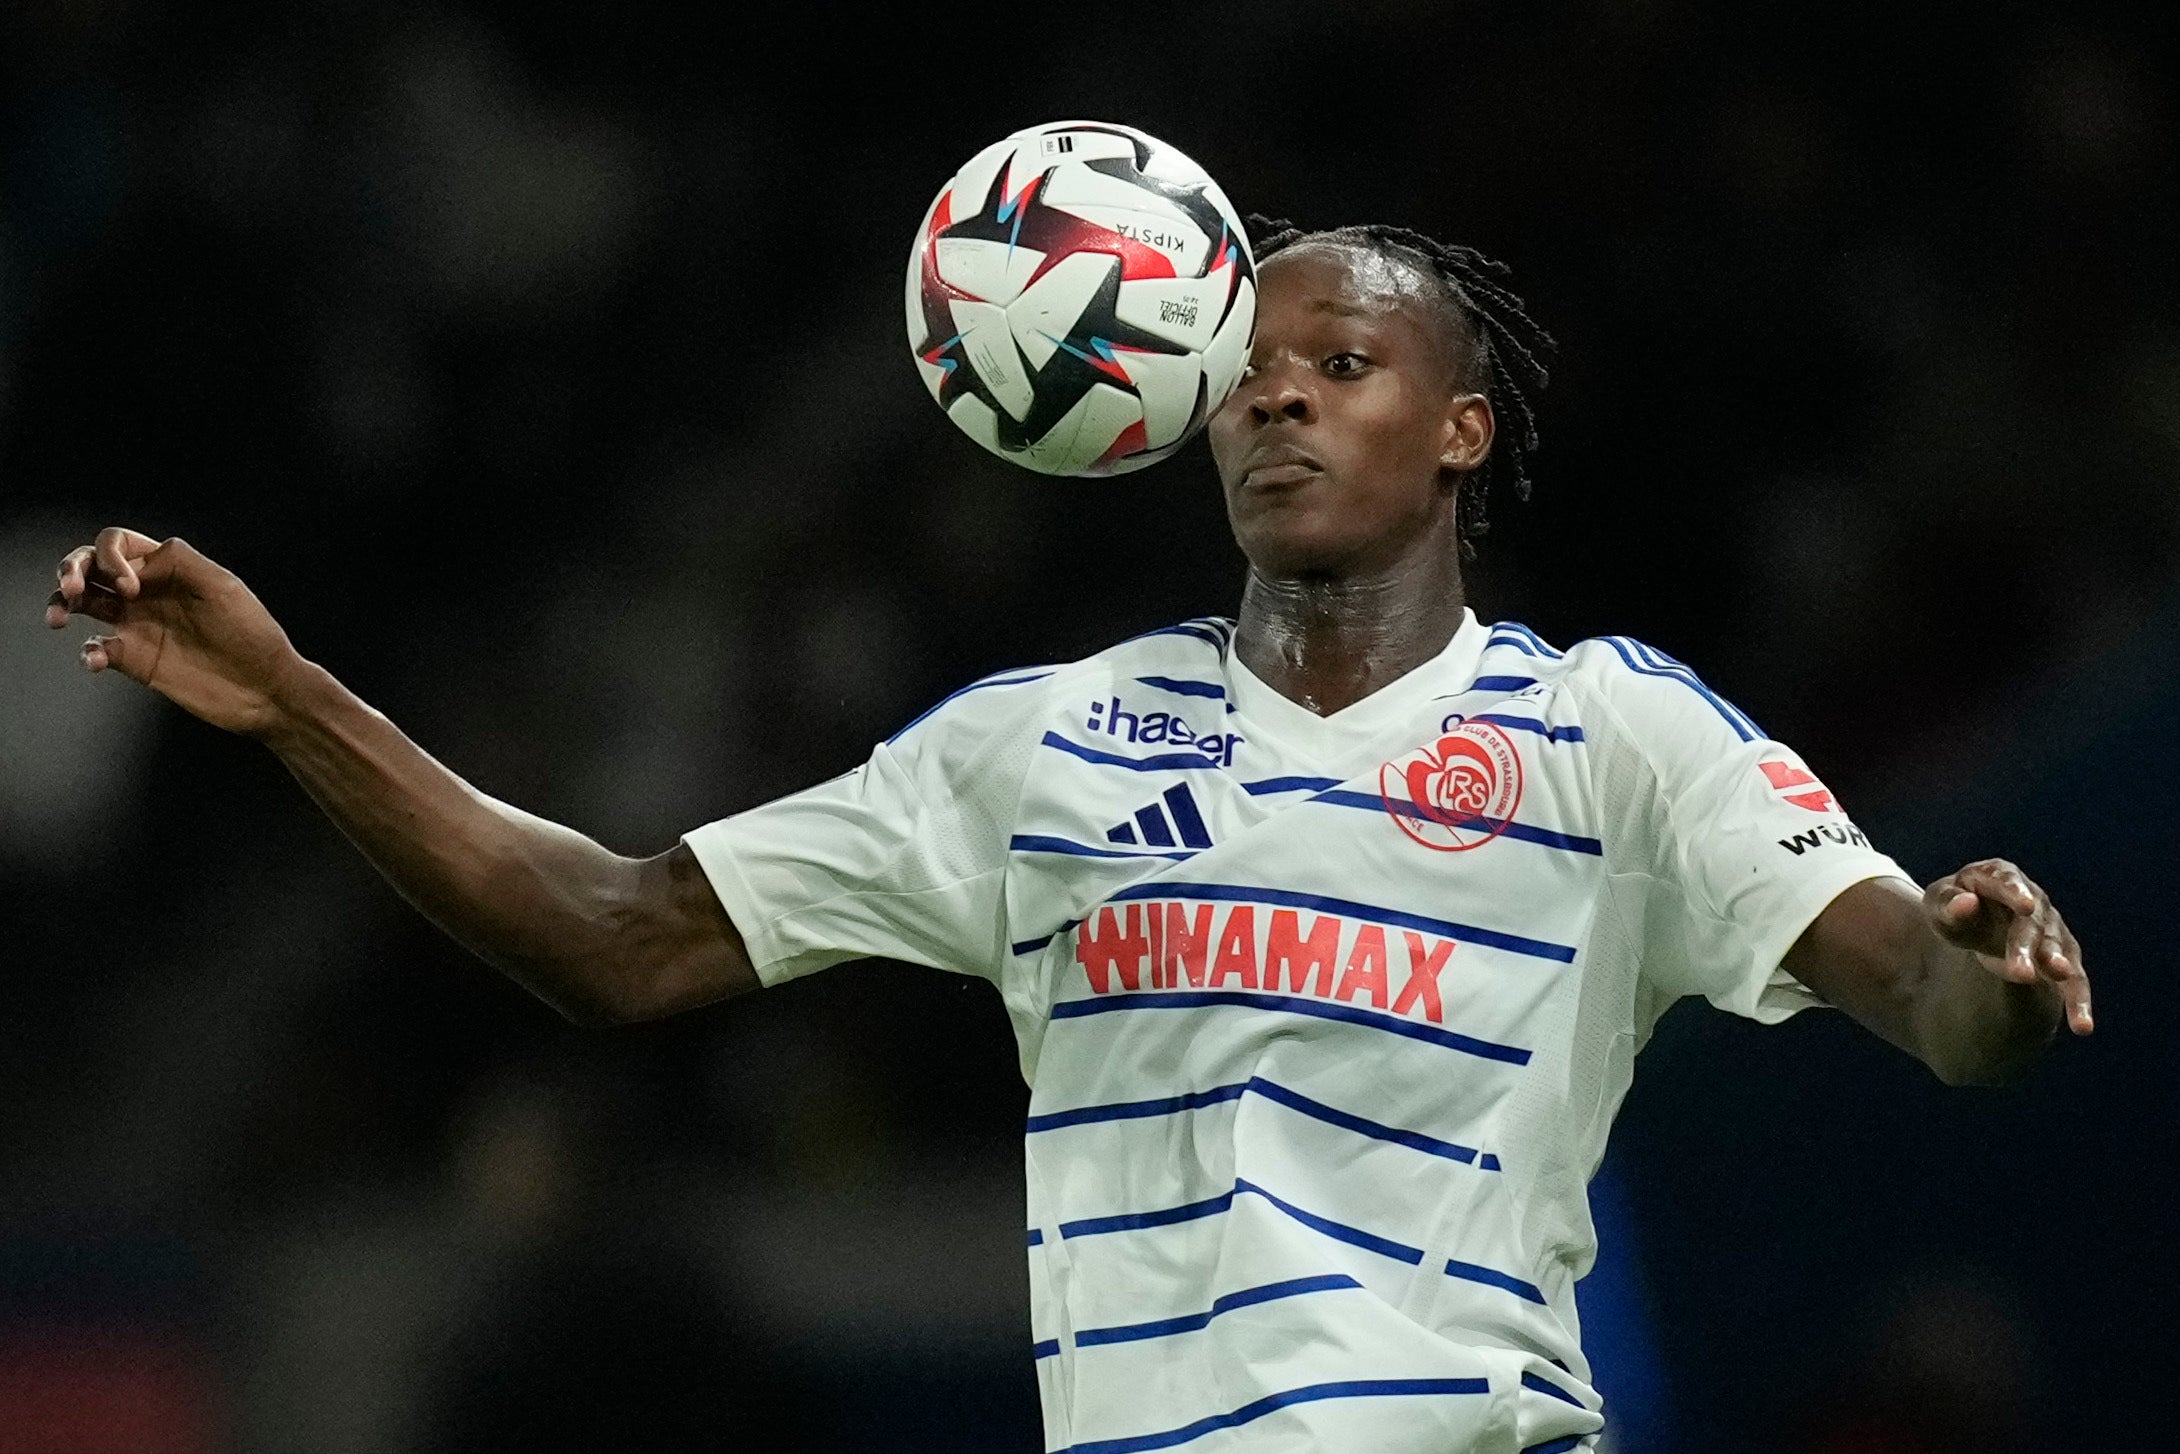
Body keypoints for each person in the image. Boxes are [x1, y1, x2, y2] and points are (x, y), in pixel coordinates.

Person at [42, 218, 2091, 1454]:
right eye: (1247, 374)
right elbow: (615, 930)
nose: (1277, 402)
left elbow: (1925, 993)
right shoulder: (1039, 746)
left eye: (1342, 366)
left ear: (1459, 430)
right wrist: (294, 702)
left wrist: (1987, 975)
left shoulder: (1607, 733)